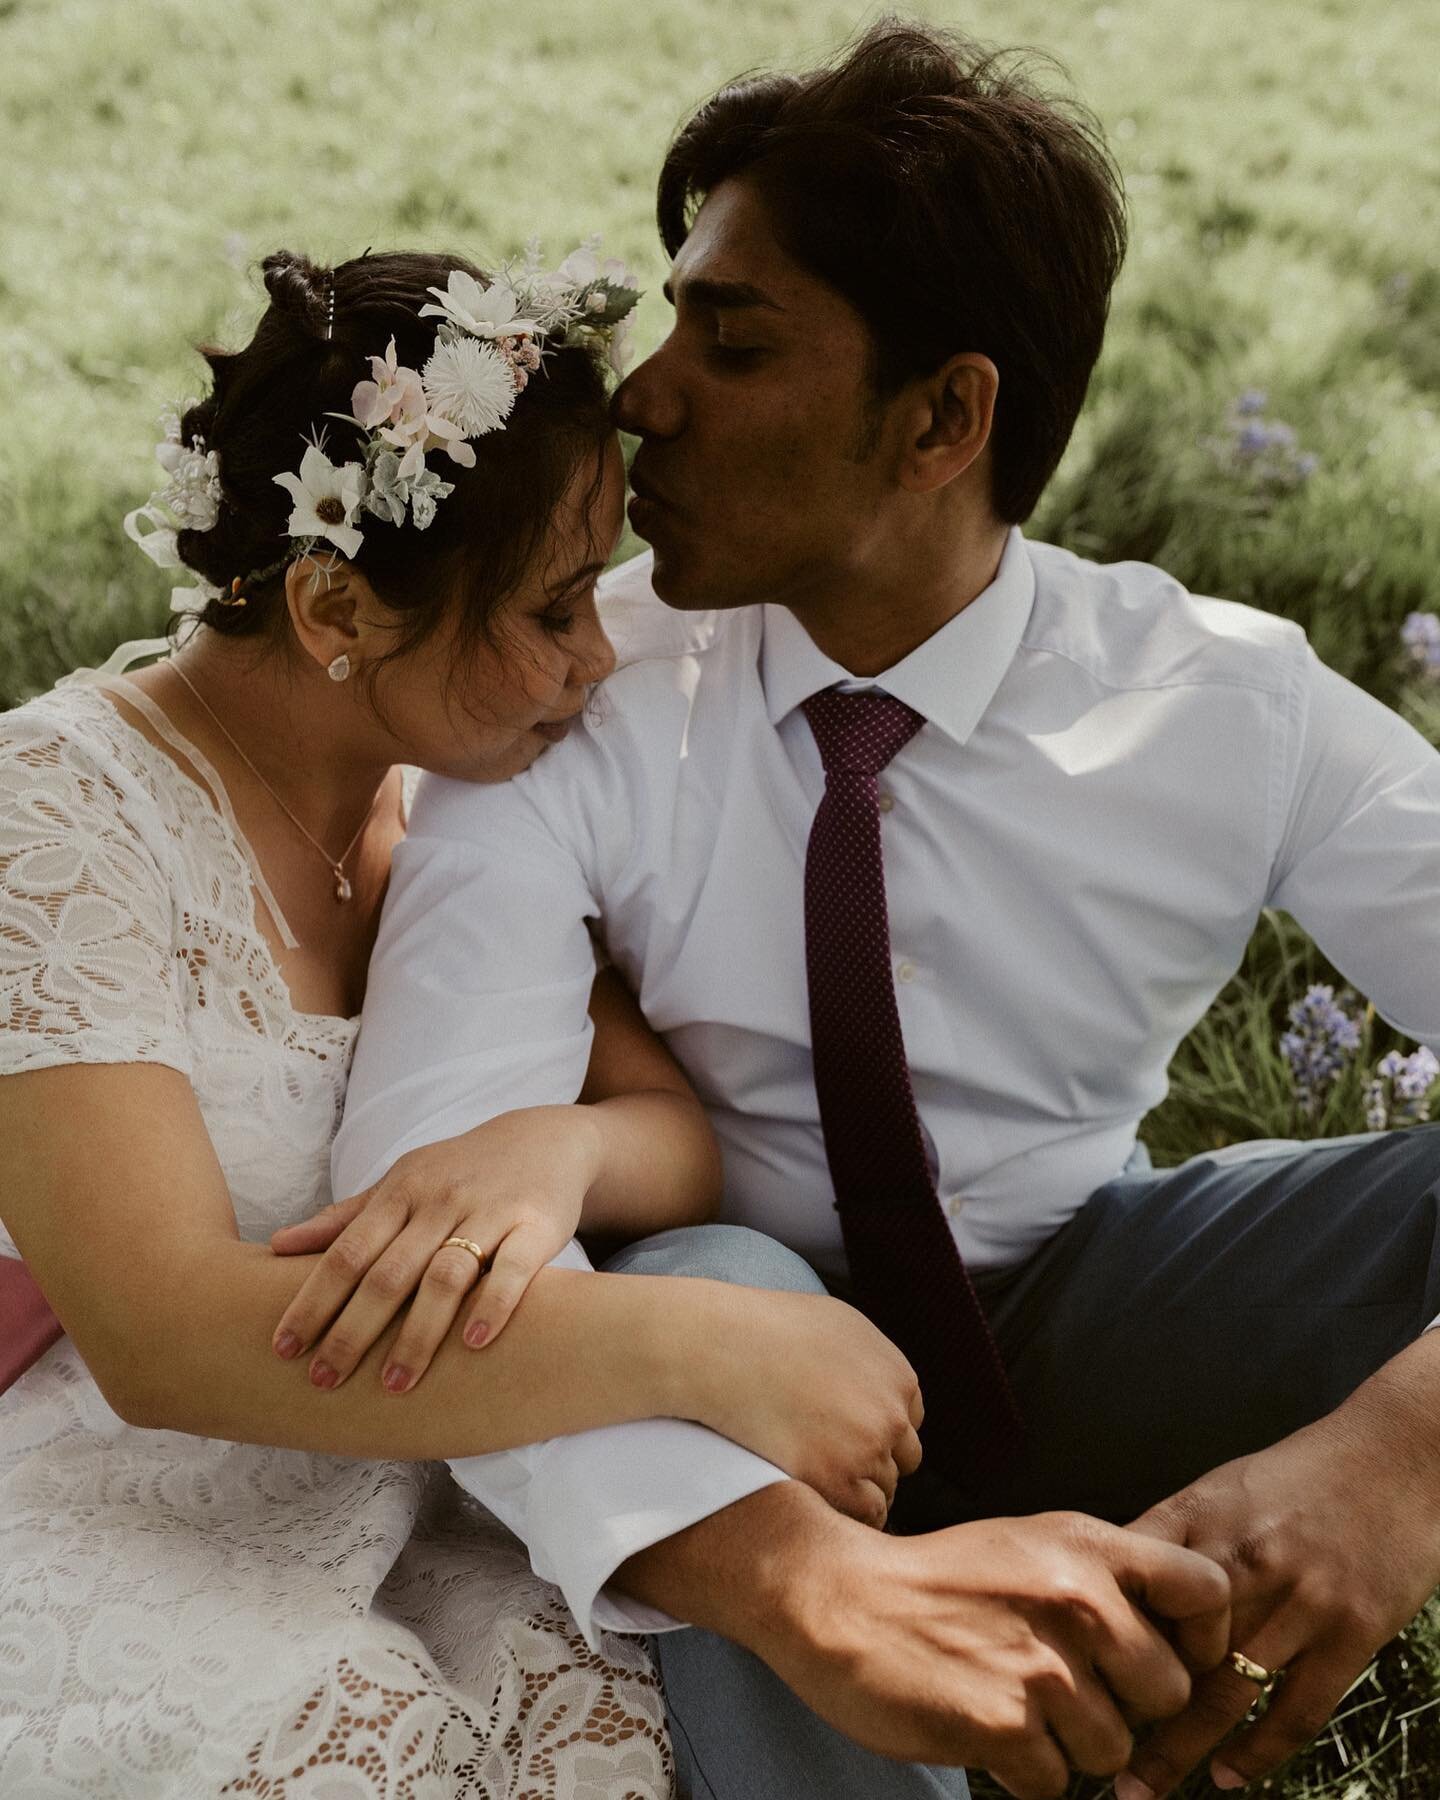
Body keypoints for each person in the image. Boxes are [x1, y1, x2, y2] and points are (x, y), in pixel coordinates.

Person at [319, 19, 1440, 1800]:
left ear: (943, 418)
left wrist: (1406, 1454)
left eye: (733, 337)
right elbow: (433, 1230)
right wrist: (769, 1532)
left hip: (1085, 1297)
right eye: (675, 315)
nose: (643, 392)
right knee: (704, 1283)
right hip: (727, 1350)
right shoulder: (569, 704)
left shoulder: (1226, 702)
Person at [0, 242, 939, 1796]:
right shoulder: (57, 820)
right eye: (556, 607)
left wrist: (546, 1150)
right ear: (334, 603)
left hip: (414, 1487)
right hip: (119, 1499)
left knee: (635, 1707)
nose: (598, 659)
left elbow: (671, 1140)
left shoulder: (442, 803)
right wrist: (702, 1340)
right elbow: (162, 1338)